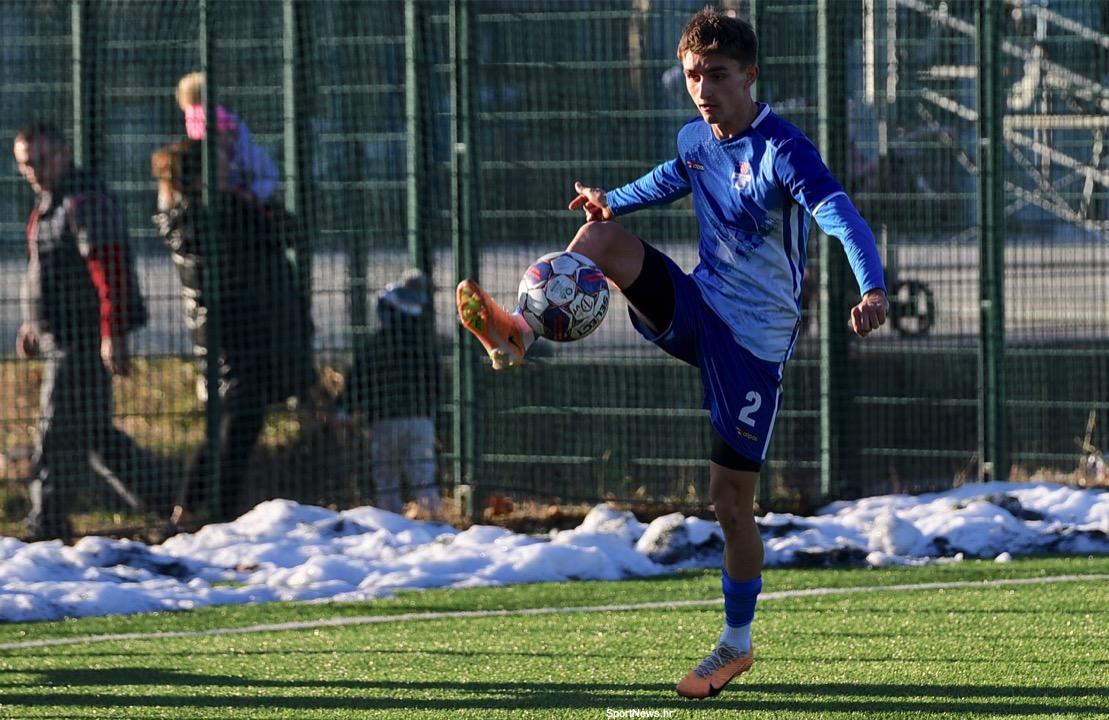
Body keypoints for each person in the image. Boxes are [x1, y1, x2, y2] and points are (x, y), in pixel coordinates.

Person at [456, 8, 888, 699]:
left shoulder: (784, 150)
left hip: (751, 347)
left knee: (728, 502)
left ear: (750, 75)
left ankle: (736, 645)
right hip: (698, 307)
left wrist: (873, 290)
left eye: (717, 75)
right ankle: (521, 335)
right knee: (598, 239)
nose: (704, 89)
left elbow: (844, 219)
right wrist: (609, 199)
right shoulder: (697, 138)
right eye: (693, 75)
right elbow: (665, 179)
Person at [150, 139, 315, 528]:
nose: (232, 171)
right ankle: (205, 513)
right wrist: (258, 203)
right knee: (236, 425)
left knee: (234, 423)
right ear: (202, 178)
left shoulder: (214, 212)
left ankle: (195, 509)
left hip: (239, 330)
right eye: (223, 168)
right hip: (233, 333)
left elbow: (286, 233)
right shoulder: (212, 216)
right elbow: (281, 233)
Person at [13, 122, 156, 541]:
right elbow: (47, 272)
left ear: (63, 153)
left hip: (81, 341)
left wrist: (112, 333)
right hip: (61, 338)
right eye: (26, 164)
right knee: (96, 436)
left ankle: (47, 525)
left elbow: (109, 270)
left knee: (55, 432)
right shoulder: (49, 205)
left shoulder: (82, 202)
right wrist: (32, 325)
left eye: (41, 160)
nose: (34, 170)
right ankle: (173, 503)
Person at [333, 269, 442, 518]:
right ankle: (435, 523)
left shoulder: (376, 345)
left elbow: (358, 379)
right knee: (423, 477)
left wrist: (343, 408)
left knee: (387, 480)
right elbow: (436, 383)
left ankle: (390, 526)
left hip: (384, 422)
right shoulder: (427, 343)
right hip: (420, 420)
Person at [174, 70, 280, 205]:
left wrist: (250, 195)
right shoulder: (194, 153)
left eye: (221, 133)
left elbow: (269, 175)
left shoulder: (244, 150)